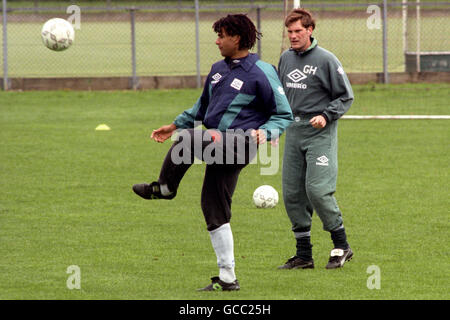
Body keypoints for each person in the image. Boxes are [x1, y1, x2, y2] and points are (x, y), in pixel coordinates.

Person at [133, 14, 293, 290]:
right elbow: (201, 108)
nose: (217, 41)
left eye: (222, 35)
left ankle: (165, 188)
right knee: (214, 209)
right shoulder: (218, 69)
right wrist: (174, 125)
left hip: (241, 143)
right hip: (218, 143)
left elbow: (284, 114)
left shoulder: (262, 71)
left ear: (237, 38)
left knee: (190, 141)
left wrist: (265, 132)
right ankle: (228, 279)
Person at [277, 8, 354, 270]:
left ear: (310, 30)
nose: (293, 36)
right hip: (294, 131)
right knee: (292, 194)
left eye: (298, 31)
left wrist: (326, 114)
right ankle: (303, 255)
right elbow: (280, 97)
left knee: (318, 190)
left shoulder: (326, 60)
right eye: (290, 32)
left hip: (319, 132)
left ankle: (341, 246)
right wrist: (274, 127)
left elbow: (345, 96)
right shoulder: (285, 59)